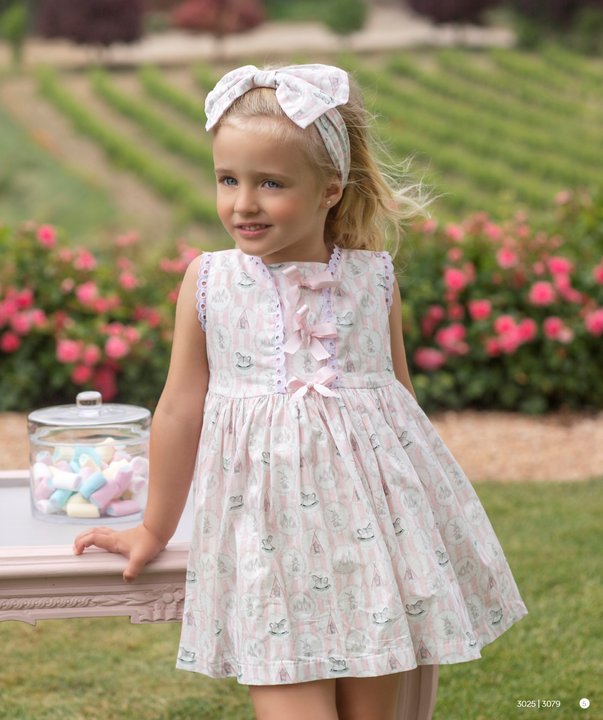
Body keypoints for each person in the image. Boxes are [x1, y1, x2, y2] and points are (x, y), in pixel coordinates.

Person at [73, 63, 529, 720]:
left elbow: (399, 400)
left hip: (372, 543)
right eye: (228, 179)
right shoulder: (209, 282)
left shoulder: (374, 280)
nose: (242, 203)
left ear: (329, 191)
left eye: (271, 183)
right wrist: (153, 526)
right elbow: (179, 409)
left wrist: (423, 530)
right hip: (266, 540)